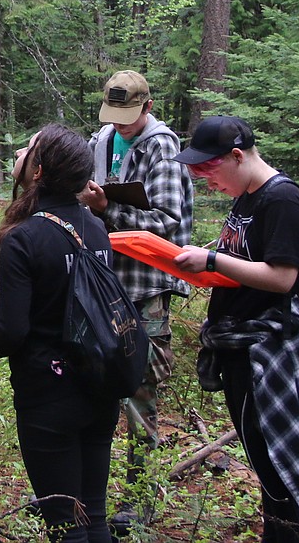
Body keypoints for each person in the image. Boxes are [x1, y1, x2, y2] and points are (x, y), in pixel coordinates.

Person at [171, 116, 299, 543]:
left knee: (280, 468)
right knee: (266, 464)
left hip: (270, 353)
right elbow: (245, 261)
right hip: (243, 349)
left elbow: (283, 277)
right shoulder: (247, 196)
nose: (204, 180)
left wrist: (210, 262)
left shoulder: (280, 199)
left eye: (208, 170)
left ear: (237, 156)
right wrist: (207, 261)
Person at [0, 123, 120, 543]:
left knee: (65, 524)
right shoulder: (97, 228)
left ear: (39, 170)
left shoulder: (23, 239)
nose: (18, 152)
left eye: (27, 148)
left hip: (47, 395)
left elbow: (11, 333)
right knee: (94, 516)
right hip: (100, 386)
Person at [80, 70, 193, 532]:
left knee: (140, 391)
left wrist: (109, 209)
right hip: (104, 281)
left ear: (147, 107)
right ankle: (87, 492)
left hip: (144, 288)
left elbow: (167, 220)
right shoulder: (102, 139)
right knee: (92, 381)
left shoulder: (162, 146)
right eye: (114, 116)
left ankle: (139, 496)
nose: (120, 125)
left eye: (128, 117)